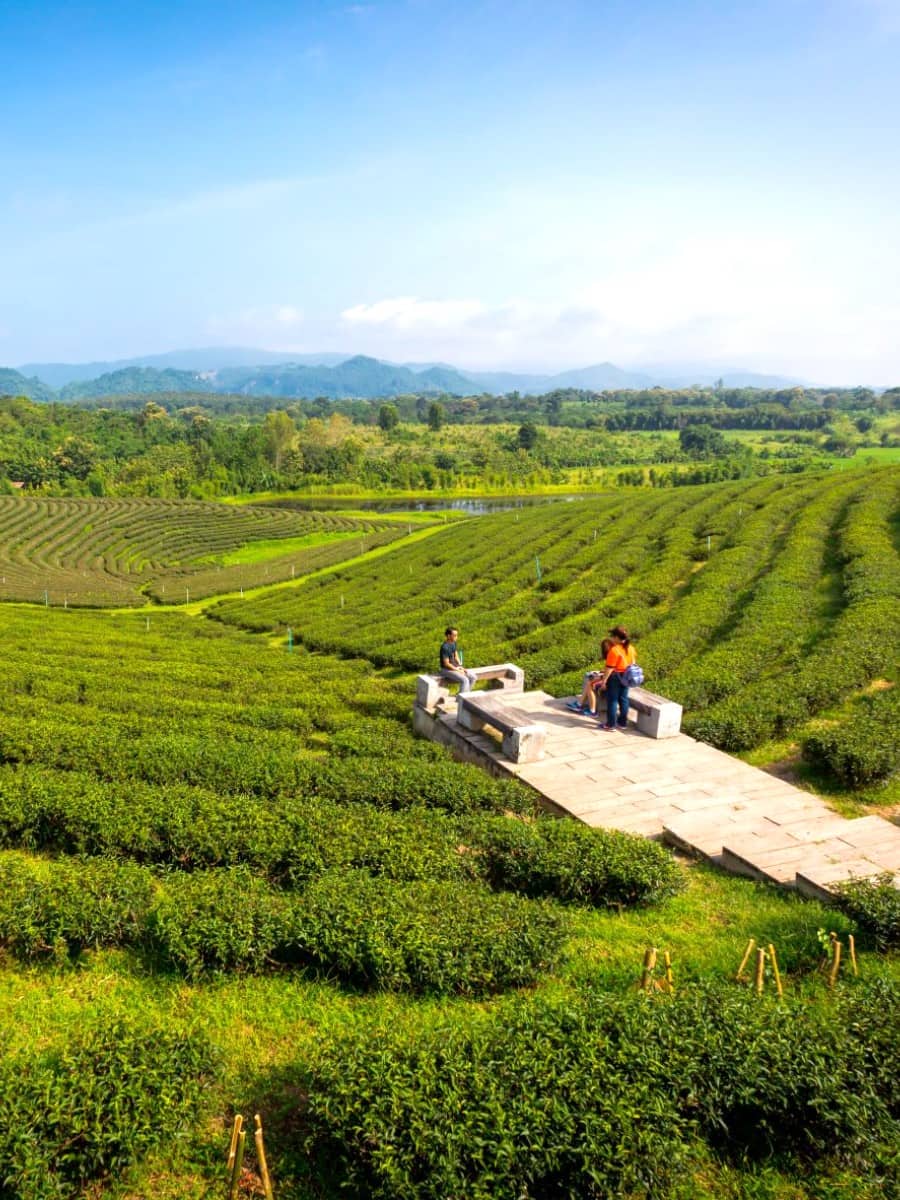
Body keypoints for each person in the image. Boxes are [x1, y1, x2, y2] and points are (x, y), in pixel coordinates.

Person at [596, 625, 637, 731]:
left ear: (617, 637)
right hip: (627, 676)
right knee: (624, 699)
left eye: (613, 636)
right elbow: (633, 663)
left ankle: (610, 725)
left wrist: (604, 681)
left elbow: (609, 668)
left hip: (615, 677)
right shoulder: (631, 648)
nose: (612, 639)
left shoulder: (614, 650)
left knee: (613, 700)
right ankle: (622, 723)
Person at [568, 638, 614, 715]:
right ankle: (579, 704)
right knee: (591, 680)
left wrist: (599, 677)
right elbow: (609, 670)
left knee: (590, 684)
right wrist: (600, 673)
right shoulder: (614, 653)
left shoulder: (612, 655)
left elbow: (610, 672)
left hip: (611, 682)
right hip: (612, 679)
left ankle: (592, 711)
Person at [439, 626, 477, 693]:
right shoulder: (445, 647)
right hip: (446, 670)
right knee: (465, 680)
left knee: (473, 677)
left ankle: (464, 695)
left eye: (457, 635)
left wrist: (461, 667)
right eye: (455, 635)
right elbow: (446, 664)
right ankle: (460, 699)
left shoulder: (453, 643)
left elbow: (456, 656)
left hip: (455, 667)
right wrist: (457, 670)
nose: (456, 637)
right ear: (448, 636)